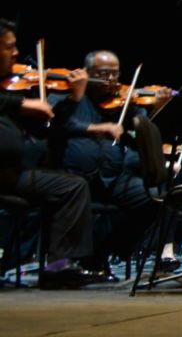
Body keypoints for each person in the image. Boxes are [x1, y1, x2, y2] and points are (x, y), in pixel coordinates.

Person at [0, 19, 101, 289]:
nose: (16, 53)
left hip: (15, 171)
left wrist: (72, 101)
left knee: (71, 184)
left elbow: (50, 127)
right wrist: (21, 102)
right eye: (9, 47)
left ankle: (59, 265)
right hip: (5, 173)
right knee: (72, 187)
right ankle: (57, 267)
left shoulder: (11, 86)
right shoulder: (10, 96)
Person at [53, 49, 170, 276]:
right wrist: (80, 104)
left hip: (113, 178)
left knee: (153, 198)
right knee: (76, 192)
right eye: (104, 74)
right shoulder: (69, 96)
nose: (110, 81)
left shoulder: (124, 103)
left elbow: (144, 135)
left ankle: (105, 251)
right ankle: (75, 261)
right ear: (87, 73)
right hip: (75, 177)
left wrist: (156, 109)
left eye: (115, 75)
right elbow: (55, 126)